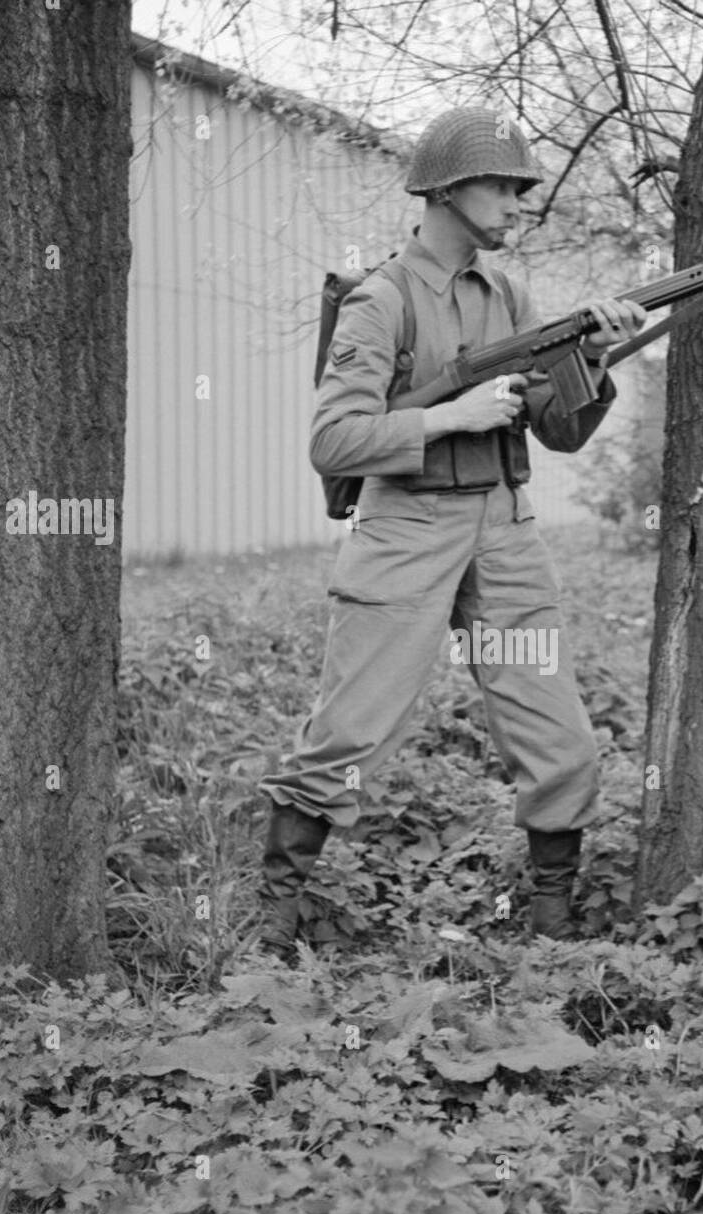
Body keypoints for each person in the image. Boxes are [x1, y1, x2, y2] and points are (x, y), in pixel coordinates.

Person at [255, 106, 646, 955]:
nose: (515, 201)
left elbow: (558, 430)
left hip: (505, 526)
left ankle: (553, 934)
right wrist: (450, 417)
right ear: (444, 188)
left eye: (519, 187)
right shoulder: (379, 300)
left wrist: (599, 360)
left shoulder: (510, 295)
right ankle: (269, 930)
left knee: (561, 737)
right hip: (407, 528)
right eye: (501, 185)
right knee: (349, 731)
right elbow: (333, 440)